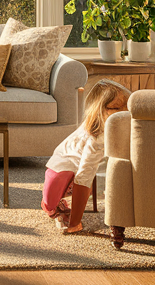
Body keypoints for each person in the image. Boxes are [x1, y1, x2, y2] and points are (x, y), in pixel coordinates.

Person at [42, 79, 131, 234]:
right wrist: (75, 222)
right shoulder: (96, 140)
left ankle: (55, 204)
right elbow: (84, 178)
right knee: (51, 204)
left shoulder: (99, 121)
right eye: (116, 108)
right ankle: (56, 206)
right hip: (61, 172)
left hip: (59, 167)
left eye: (127, 107)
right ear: (101, 110)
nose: (124, 112)